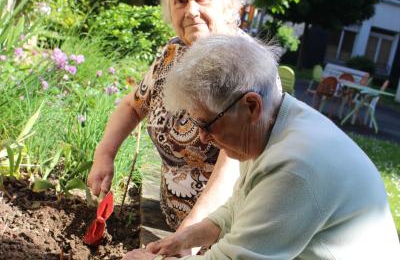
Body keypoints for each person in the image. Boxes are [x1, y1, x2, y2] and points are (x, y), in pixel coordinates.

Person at [123, 34, 400, 260]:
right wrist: (188, 237)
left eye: (207, 124)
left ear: (251, 106)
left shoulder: (296, 166)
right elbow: (240, 206)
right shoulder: (269, 127)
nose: (203, 137)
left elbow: (237, 259)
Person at [87, 0, 244, 234]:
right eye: (181, 1)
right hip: (173, 225)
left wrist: (186, 239)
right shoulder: (173, 53)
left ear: (229, 5)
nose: (191, 11)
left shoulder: (242, 66)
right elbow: (133, 106)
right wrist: (105, 154)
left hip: (219, 236)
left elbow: (230, 169)